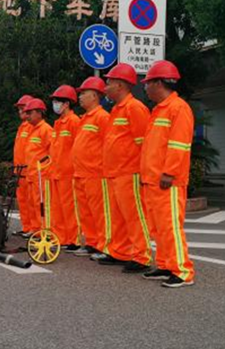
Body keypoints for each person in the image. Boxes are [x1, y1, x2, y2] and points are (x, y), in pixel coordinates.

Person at [139, 60, 195, 288]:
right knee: (158, 227)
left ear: (159, 83)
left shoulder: (178, 108)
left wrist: (169, 173)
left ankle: (182, 271)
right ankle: (165, 264)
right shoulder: (159, 110)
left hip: (167, 181)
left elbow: (179, 145)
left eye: (147, 83)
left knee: (170, 226)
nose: (145, 88)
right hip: (153, 179)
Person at [93, 63, 153, 273]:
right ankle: (120, 252)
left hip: (130, 172)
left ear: (120, 85)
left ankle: (142, 256)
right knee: (118, 217)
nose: (106, 87)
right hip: (115, 172)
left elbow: (144, 144)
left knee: (134, 216)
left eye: (109, 83)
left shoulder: (135, 108)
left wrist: (143, 172)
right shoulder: (117, 109)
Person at [71, 76, 111, 256]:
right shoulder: (85, 118)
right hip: (81, 173)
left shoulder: (102, 117)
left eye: (83, 93)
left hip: (95, 173)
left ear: (95, 96)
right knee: (86, 213)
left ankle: (103, 245)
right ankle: (91, 242)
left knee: (99, 212)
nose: (80, 97)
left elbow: (108, 146)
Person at [47, 85, 81, 251]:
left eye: (57, 101)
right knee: (58, 208)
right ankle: (60, 238)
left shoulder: (74, 121)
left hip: (68, 173)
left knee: (69, 208)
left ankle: (73, 239)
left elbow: (78, 148)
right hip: (56, 172)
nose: (55, 104)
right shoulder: (58, 123)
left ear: (66, 104)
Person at [22, 98, 53, 231]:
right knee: (33, 203)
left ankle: (45, 231)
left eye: (30, 112)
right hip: (33, 174)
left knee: (42, 204)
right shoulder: (33, 130)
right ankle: (36, 229)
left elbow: (52, 153)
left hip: (42, 175)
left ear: (39, 113)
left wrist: (46, 170)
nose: (27, 115)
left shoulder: (46, 130)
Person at [12, 95, 36, 237]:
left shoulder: (32, 127)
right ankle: (26, 227)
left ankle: (33, 227)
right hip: (20, 171)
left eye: (22, 108)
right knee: (23, 200)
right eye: (19, 109)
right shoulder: (22, 127)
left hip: (29, 171)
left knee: (31, 201)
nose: (20, 111)